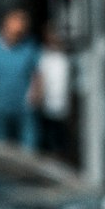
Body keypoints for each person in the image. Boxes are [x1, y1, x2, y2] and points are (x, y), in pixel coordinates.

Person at [0, 9, 42, 149]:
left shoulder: (29, 47)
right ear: (6, 26)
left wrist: (36, 94)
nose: (18, 32)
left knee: (29, 148)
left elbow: (36, 73)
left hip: (24, 105)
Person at [38, 25, 72, 158]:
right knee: (49, 142)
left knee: (62, 142)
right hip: (47, 106)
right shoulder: (43, 57)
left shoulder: (65, 58)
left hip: (63, 107)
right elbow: (39, 79)